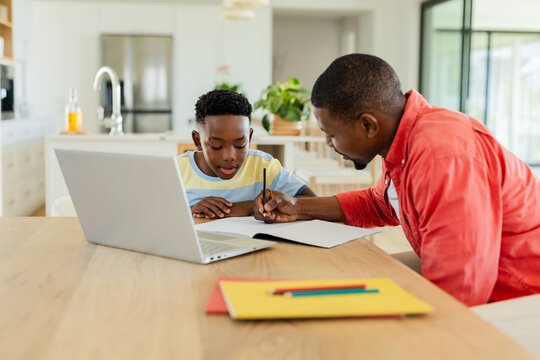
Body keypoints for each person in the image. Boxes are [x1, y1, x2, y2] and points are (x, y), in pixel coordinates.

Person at [254, 54, 540, 306]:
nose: (328, 143)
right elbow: (381, 204)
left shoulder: (442, 157)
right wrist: (298, 207)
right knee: (345, 280)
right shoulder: (405, 139)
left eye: (331, 134)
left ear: (368, 125)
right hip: (481, 271)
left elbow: (462, 288)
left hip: (518, 293)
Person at [177, 89, 315, 219]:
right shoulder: (176, 170)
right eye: (216, 146)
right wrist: (189, 211)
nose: (229, 156)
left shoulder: (263, 165)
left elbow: (313, 201)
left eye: (240, 145)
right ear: (198, 140)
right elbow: (158, 217)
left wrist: (248, 206)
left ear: (249, 138)